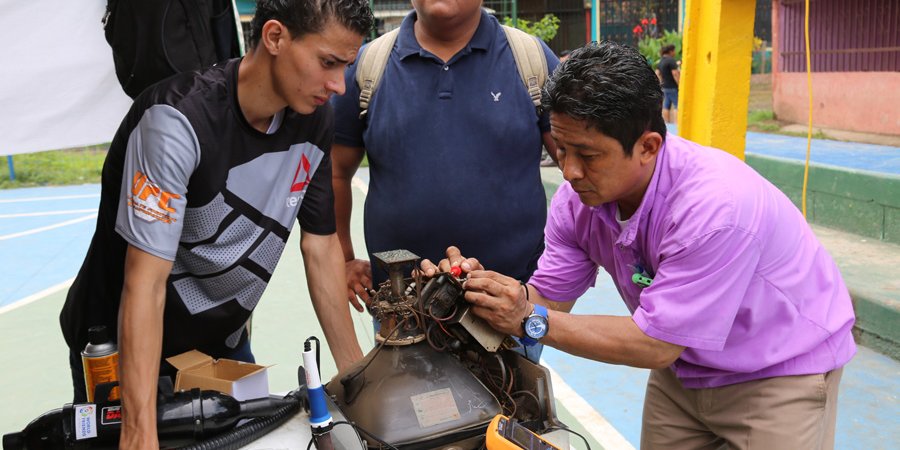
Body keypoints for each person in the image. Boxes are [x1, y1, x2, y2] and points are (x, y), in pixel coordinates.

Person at [423, 42, 856, 449]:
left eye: (588, 155)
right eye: (561, 148)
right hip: (685, 372)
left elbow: (655, 341)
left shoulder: (714, 210)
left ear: (648, 146)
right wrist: (479, 292)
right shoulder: (578, 203)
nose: (569, 171)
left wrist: (527, 320)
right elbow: (548, 301)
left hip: (778, 373)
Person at [59, 0, 373, 446]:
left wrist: (359, 383)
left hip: (219, 343)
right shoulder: (176, 121)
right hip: (118, 350)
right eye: (327, 62)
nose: (338, 85)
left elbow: (320, 247)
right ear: (276, 37)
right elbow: (145, 284)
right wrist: (137, 428)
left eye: (345, 66)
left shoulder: (314, 117)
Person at [330, 0, 559, 345]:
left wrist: (556, 273)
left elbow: (579, 166)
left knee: (516, 397)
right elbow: (334, 171)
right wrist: (344, 259)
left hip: (510, 306)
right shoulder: (370, 66)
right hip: (402, 307)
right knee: (402, 399)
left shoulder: (529, 60)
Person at [656, 44, 679, 123]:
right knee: (677, 105)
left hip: (664, 87)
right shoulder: (671, 60)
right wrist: (679, 84)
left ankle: (667, 124)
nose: (675, 53)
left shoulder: (661, 61)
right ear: (670, 51)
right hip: (672, 87)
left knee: (666, 106)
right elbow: (675, 74)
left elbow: (657, 73)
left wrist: (661, 83)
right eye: (674, 51)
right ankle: (677, 124)